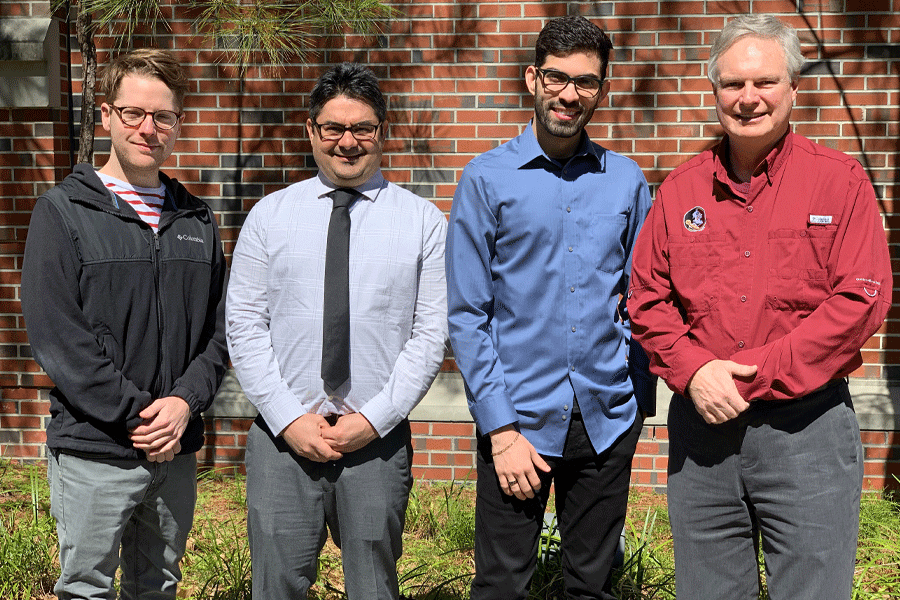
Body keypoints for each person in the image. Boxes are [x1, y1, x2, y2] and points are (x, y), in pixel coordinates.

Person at [627, 14, 892, 600]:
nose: (748, 99)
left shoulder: (839, 183)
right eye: (732, 84)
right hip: (703, 438)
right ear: (714, 91)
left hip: (808, 432)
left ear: (793, 89)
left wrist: (751, 376)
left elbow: (861, 300)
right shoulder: (681, 190)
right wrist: (695, 371)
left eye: (765, 83)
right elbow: (647, 298)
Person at [447, 15, 655, 600]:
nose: (570, 94)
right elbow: (467, 312)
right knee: (501, 585)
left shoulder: (627, 181)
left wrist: (635, 402)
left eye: (585, 82)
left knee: (593, 585)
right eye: (558, 78)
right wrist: (501, 427)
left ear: (602, 91)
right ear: (532, 79)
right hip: (519, 423)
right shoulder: (486, 179)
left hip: (606, 420)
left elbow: (645, 297)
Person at [226, 62, 447, 600]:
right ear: (312, 130)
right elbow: (244, 325)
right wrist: (286, 418)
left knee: (374, 586)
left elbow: (430, 333)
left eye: (363, 129)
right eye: (333, 128)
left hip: (377, 440)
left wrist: (374, 419)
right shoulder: (269, 216)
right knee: (275, 584)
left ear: (382, 132)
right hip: (283, 439)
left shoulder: (423, 222)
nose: (347, 142)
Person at [20, 49, 228, 599]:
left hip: (175, 448)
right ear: (107, 115)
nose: (148, 128)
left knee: (158, 584)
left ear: (178, 123)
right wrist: (138, 415)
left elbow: (220, 330)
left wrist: (184, 404)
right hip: (96, 445)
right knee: (87, 587)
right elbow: (57, 338)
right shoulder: (63, 212)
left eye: (163, 116)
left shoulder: (196, 219)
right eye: (134, 113)